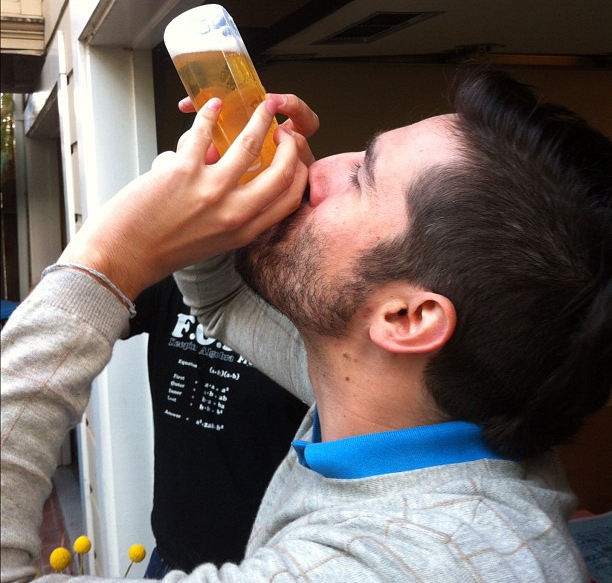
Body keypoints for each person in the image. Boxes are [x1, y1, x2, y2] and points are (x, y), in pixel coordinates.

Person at [1, 69, 611, 582]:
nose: (320, 165)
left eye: (362, 176)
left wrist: (106, 257)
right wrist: (238, 191)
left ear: (407, 318)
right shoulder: (429, 408)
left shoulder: (396, 564)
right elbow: (220, 306)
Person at [128, 276, 306, 575]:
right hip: (171, 562)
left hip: (269, 569)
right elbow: (75, 310)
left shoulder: (307, 290)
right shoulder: (176, 275)